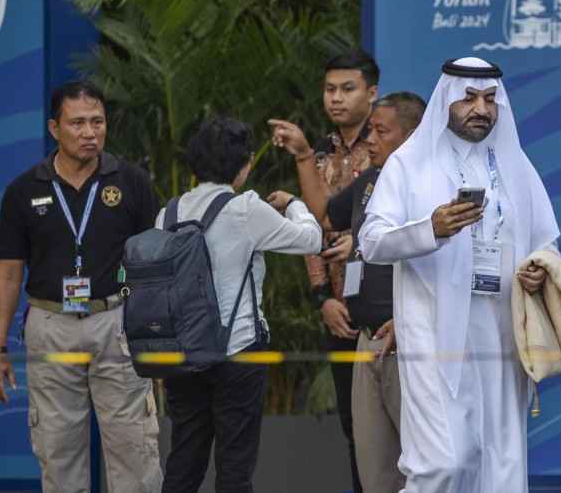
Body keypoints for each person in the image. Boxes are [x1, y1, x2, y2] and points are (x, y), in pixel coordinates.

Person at [358, 56, 560, 493]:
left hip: (501, 332)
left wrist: (537, 268)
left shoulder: (515, 164)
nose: (480, 109)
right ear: (447, 99)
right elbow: (372, 241)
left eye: (489, 99)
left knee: (501, 467)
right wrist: (430, 229)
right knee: (443, 465)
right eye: (468, 98)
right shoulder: (410, 163)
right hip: (432, 331)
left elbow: (546, 242)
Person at [0, 80, 163, 493]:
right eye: (78, 123)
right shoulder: (23, 191)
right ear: (54, 128)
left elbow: (156, 263)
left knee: (134, 451)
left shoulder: (133, 182)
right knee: (58, 454)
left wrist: (155, 332)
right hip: (50, 325)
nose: (90, 132)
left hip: (116, 323)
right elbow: (9, 273)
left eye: (98, 122)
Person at [270, 92, 426, 493]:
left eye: (380, 131)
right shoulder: (370, 181)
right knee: (372, 460)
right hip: (364, 338)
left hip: (405, 341)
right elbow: (324, 214)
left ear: (412, 137)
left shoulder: (428, 187)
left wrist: (412, 320)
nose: (369, 139)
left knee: (420, 462)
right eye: (370, 129)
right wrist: (305, 158)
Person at [160, 116, 321, 493]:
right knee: (235, 466)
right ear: (244, 164)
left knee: (184, 460)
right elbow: (312, 240)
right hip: (239, 351)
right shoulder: (246, 209)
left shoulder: (168, 213)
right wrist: (295, 203)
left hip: (182, 355)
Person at [267, 50, 379, 492]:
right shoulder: (317, 153)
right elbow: (309, 230)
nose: (336, 99)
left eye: (347, 89)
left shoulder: (389, 147)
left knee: (399, 422)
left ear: (372, 93)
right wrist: (323, 299)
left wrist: (363, 239)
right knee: (354, 427)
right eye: (330, 89)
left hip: (389, 309)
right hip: (338, 310)